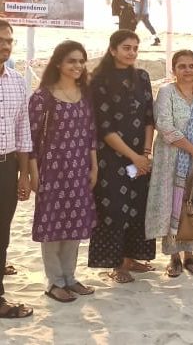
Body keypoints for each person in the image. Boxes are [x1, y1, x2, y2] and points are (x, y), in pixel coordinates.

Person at [28, 41, 98, 302]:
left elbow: (91, 134)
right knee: (52, 224)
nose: (78, 66)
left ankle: (69, 277)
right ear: (58, 63)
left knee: (75, 223)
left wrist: (94, 166)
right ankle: (54, 282)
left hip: (79, 170)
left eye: (81, 61)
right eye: (71, 61)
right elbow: (31, 139)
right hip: (51, 171)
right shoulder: (42, 97)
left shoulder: (85, 94)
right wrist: (33, 173)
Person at [87, 30, 156, 284]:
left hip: (140, 155)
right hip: (111, 158)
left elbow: (149, 118)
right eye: (126, 47)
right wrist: (133, 157)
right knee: (114, 209)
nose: (132, 53)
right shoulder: (99, 81)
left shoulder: (142, 77)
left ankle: (130, 259)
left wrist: (145, 154)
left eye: (135, 48)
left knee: (138, 206)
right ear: (113, 49)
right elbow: (104, 128)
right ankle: (115, 264)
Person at [146, 50, 193, 277]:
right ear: (174, 70)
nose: (187, 70)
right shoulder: (166, 92)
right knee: (173, 204)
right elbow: (164, 125)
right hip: (170, 158)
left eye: (191, 65)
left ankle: (189, 255)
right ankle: (174, 257)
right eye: (182, 66)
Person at [0, 20, 34, 318]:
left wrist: (24, 174)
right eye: (1, 40)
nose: (5, 45)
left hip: (7, 167)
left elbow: (24, 130)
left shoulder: (17, 82)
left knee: (2, 231)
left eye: (9, 41)